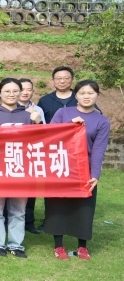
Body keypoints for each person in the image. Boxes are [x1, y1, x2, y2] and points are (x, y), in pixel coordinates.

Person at [44, 80, 110, 261]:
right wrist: (69, 125)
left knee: (84, 208)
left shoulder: (102, 121)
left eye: (90, 93)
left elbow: (98, 150)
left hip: (83, 170)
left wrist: (95, 175)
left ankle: (82, 246)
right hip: (60, 167)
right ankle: (58, 245)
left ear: (97, 95)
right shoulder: (63, 113)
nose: (86, 96)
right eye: (82, 93)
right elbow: (49, 136)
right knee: (57, 206)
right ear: (76, 95)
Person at [0, 78, 37, 258]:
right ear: (0, 93)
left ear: (20, 93)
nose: (11, 94)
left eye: (15, 91)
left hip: (21, 169)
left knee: (18, 210)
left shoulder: (28, 116)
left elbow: (39, 141)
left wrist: (38, 123)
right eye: (7, 91)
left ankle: (16, 245)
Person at [18, 78, 45, 234]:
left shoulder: (38, 109)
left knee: (30, 190)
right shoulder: (9, 108)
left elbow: (44, 132)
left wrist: (37, 120)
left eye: (29, 89)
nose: (25, 92)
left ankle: (29, 222)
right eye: (22, 89)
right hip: (12, 152)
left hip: (31, 154)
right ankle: (8, 221)